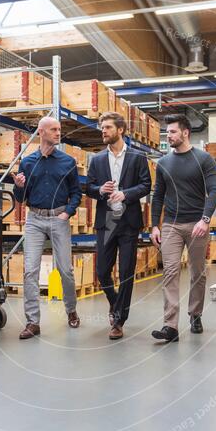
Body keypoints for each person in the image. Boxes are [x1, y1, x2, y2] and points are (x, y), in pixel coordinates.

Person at [149, 113, 216, 343]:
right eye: (167, 132)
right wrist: (154, 226)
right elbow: (157, 195)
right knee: (170, 272)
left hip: (197, 224)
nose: (168, 136)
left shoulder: (204, 159)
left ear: (185, 133)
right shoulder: (164, 163)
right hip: (171, 225)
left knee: (197, 272)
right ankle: (170, 326)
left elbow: (214, 191)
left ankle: (195, 314)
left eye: (172, 132)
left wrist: (205, 219)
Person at [13, 116, 82, 339]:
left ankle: (71, 310)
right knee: (30, 270)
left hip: (58, 218)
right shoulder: (27, 162)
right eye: (53, 129)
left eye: (59, 129)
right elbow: (21, 198)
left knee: (65, 270)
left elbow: (76, 193)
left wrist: (67, 213)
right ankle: (33, 322)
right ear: (41, 132)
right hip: (34, 219)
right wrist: (18, 187)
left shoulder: (68, 162)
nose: (57, 133)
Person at [87, 112, 152, 340]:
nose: (103, 131)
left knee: (126, 272)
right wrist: (99, 191)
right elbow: (89, 187)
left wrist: (125, 194)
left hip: (128, 222)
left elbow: (146, 185)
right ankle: (116, 303)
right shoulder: (96, 160)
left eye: (107, 127)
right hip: (106, 222)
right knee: (102, 271)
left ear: (120, 130)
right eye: (102, 128)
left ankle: (118, 320)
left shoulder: (137, 157)